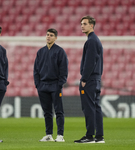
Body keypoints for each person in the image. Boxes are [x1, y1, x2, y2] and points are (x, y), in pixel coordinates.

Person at [33, 28, 68, 142]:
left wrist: (60, 84)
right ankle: (48, 135)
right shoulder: (40, 52)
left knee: (58, 111)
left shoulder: (60, 51)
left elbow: (64, 70)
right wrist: (38, 84)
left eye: (51, 35)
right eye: (47, 35)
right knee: (47, 112)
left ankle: (60, 135)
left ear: (56, 38)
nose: (48, 37)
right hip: (42, 86)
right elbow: (36, 70)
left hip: (55, 85)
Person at [74, 16, 104, 144]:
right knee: (96, 107)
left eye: (85, 24)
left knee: (89, 108)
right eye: (81, 24)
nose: (82, 26)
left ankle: (90, 136)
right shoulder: (96, 40)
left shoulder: (91, 41)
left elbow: (90, 62)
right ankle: (99, 136)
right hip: (96, 79)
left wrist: (84, 79)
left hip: (90, 80)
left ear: (92, 25)